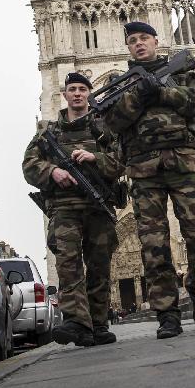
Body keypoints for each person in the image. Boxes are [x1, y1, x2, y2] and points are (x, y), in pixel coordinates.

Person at [102, 21, 195, 339]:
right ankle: (166, 313)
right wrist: (139, 96)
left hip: (183, 164)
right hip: (143, 171)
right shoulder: (119, 83)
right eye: (132, 40)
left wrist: (163, 91)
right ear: (128, 47)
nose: (139, 44)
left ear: (155, 41)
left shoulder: (180, 71)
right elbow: (110, 123)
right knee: (154, 246)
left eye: (144, 39)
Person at [22, 72, 122, 347]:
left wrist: (95, 158)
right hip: (64, 209)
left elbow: (122, 162)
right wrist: (52, 171)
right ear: (64, 95)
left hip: (98, 206)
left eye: (82, 89)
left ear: (89, 94)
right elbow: (29, 166)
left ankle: (99, 323)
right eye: (72, 89)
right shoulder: (48, 132)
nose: (77, 93)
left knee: (99, 265)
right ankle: (77, 323)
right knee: (68, 266)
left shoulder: (105, 129)